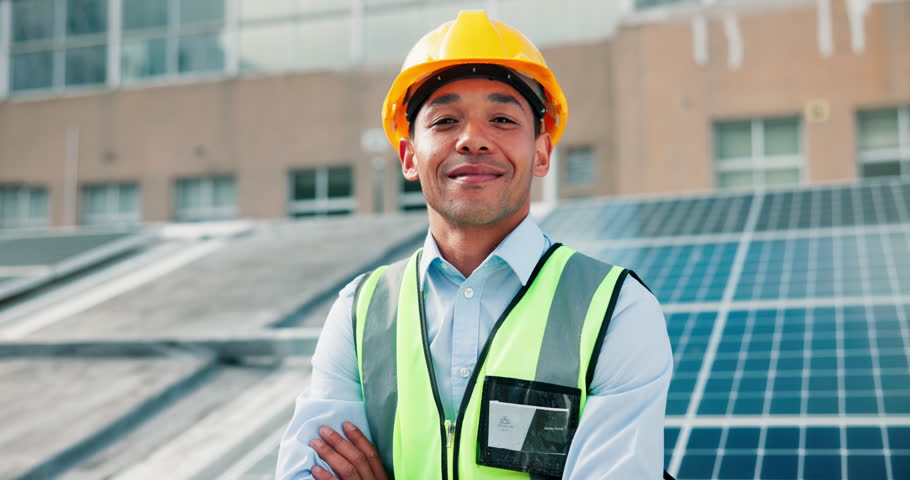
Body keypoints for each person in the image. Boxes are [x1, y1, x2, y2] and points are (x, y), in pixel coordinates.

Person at [276, 10, 673, 480]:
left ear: (542, 152)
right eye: (445, 120)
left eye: (502, 119)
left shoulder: (616, 310)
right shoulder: (358, 313)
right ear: (409, 156)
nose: (473, 140)